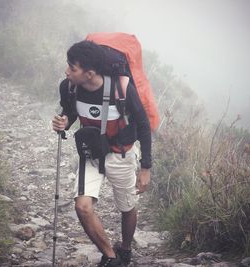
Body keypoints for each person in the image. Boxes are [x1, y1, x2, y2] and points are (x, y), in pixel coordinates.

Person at [52, 40, 152, 267]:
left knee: (127, 206)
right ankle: (111, 256)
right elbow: (70, 112)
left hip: (122, 154)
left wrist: (145, 167)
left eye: (72, 68)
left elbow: (144, 125)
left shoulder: (123, 88)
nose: (66, 71)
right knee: (82, 206)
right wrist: (63, 122)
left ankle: (125, 249)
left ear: (89, 73)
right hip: (91, 152)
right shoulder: (69, 87)